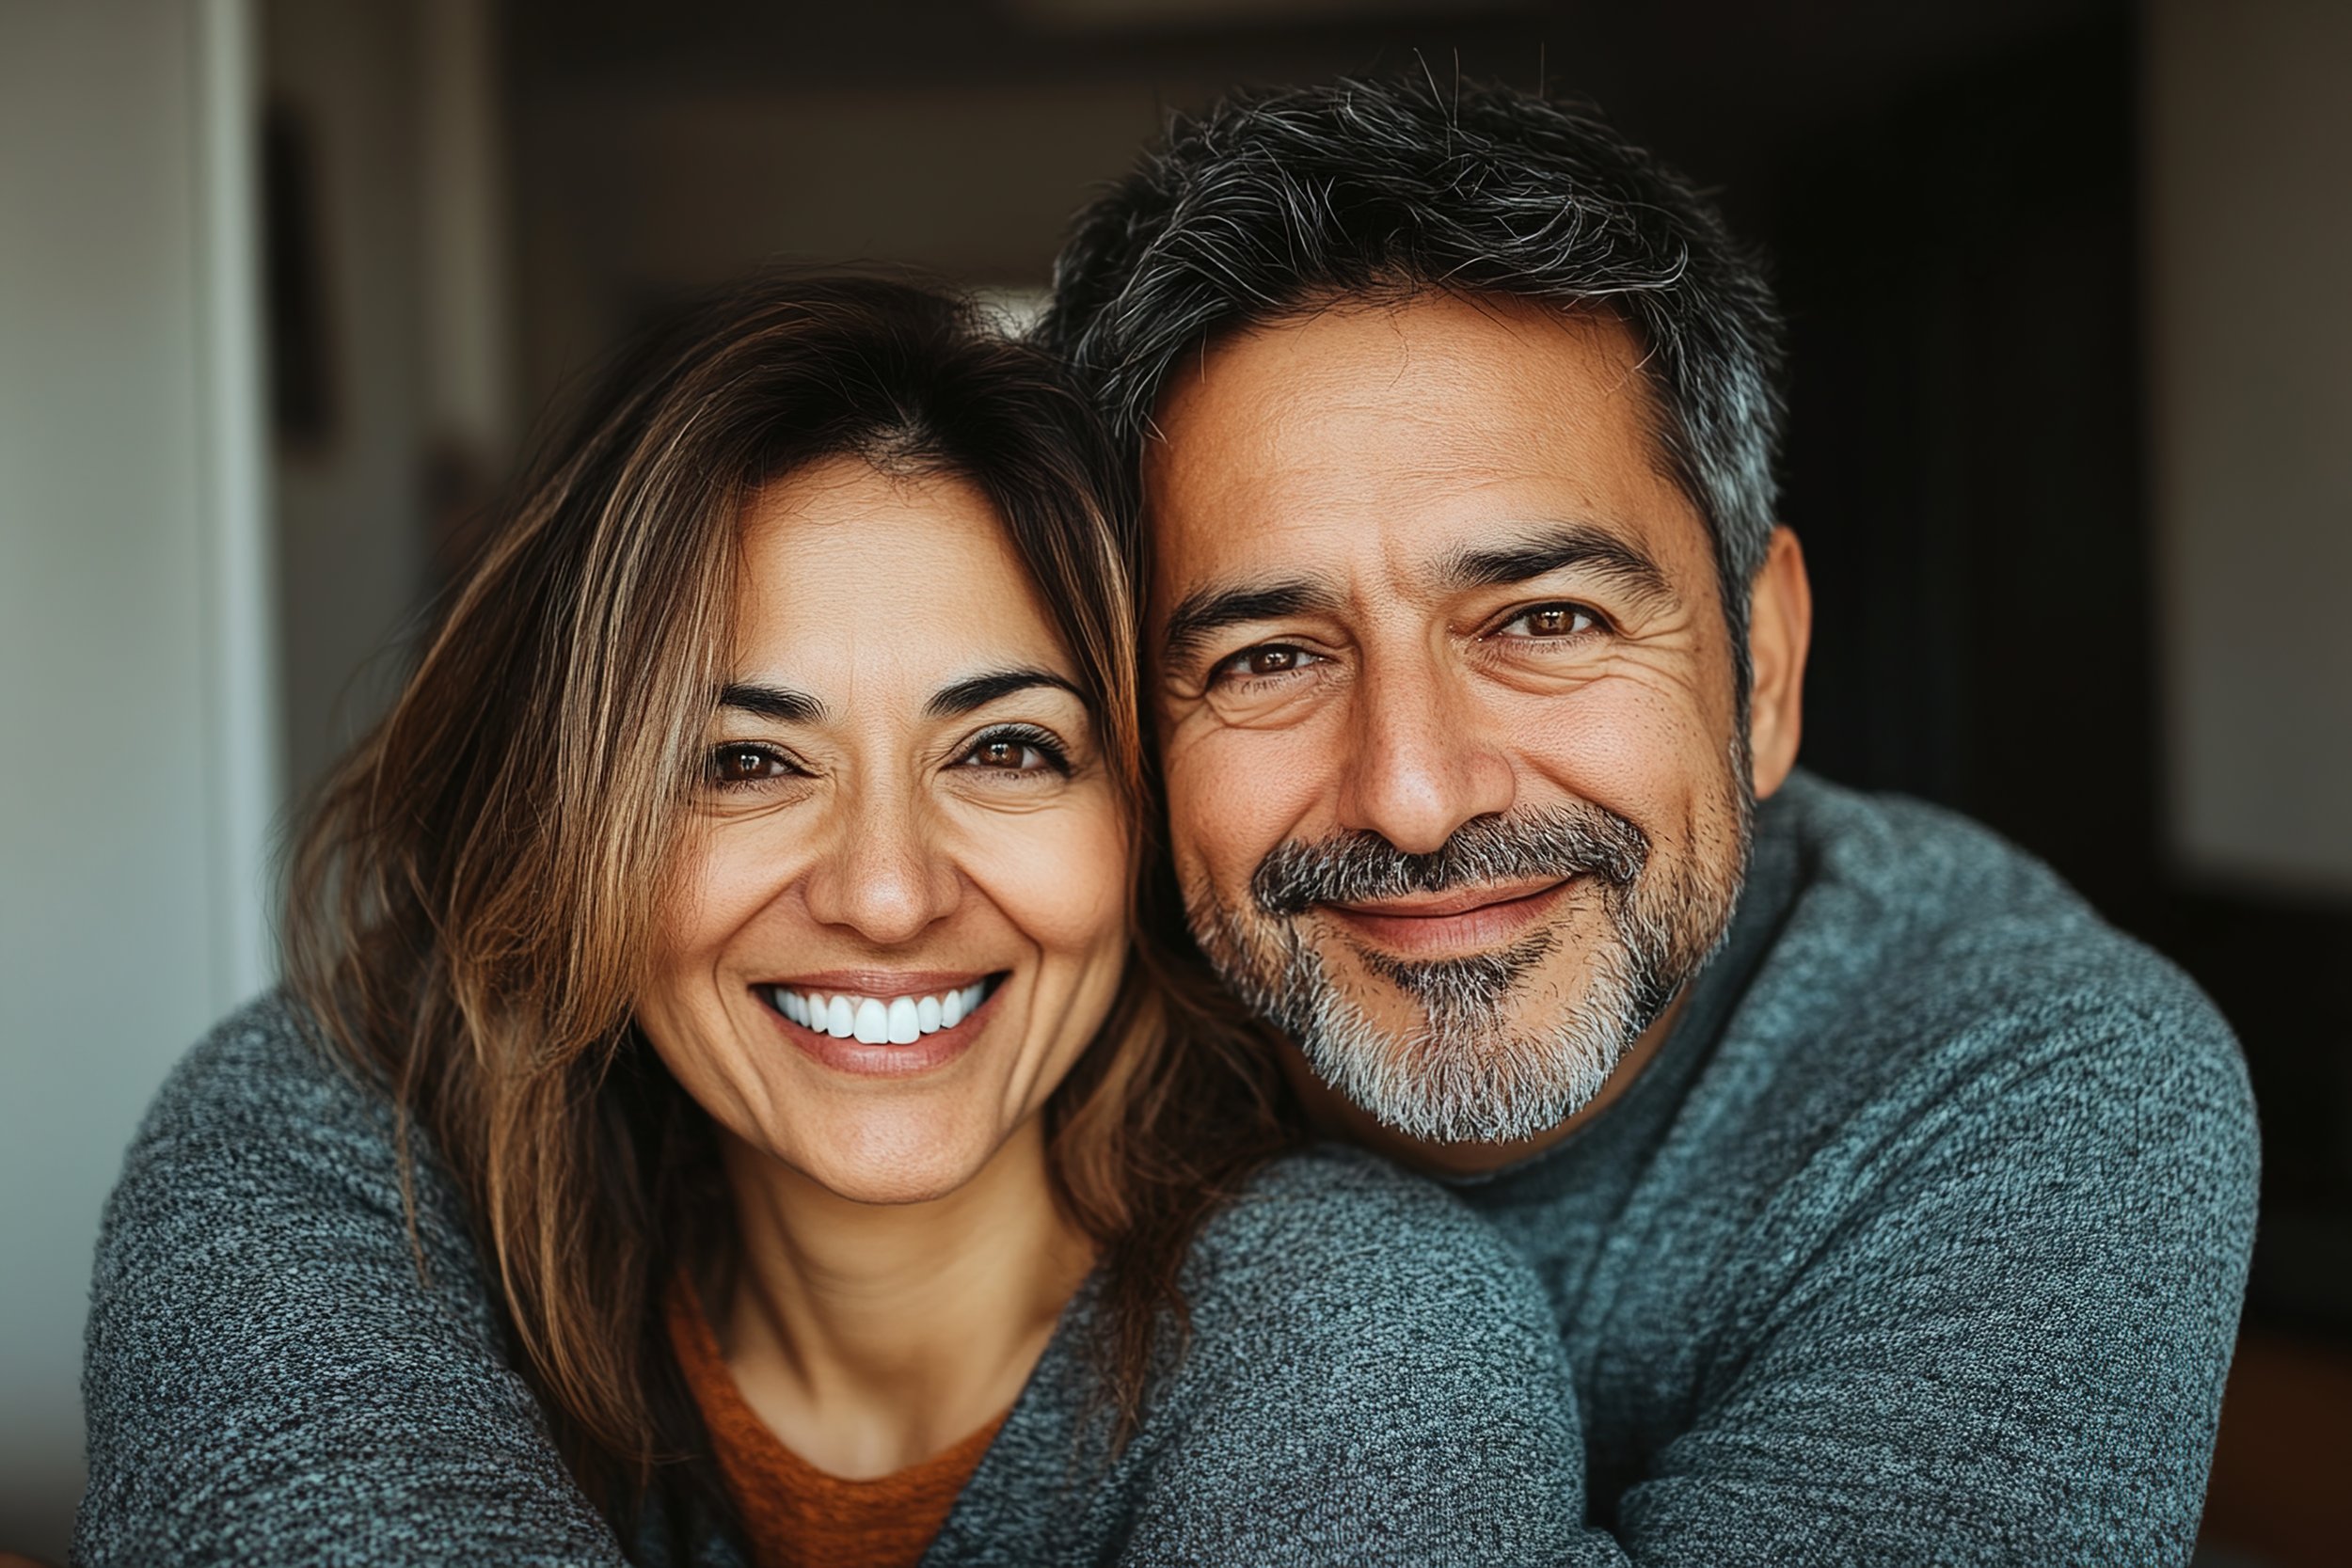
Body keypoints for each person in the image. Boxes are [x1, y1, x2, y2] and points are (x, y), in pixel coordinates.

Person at [74, 275, 1591, 1566]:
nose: (884, 890)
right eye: (745, 763)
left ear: (1144, 826)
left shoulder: (1367, 1340)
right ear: (573, 830)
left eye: (1007, 751)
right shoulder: (326, 1158)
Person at [1036, 76, 2259, 1562]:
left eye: (1545, 619)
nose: (1416, 797)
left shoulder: (2039, 1073)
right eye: (1269, 659)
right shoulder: (991, 1031)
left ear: (1767, 671)